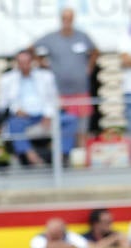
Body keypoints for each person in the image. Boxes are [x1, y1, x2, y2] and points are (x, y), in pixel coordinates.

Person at [0, 48, 72, 167]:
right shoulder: (8, 79)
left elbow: (53, 98)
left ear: (32, 62)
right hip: (23, 117)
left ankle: (61, 156)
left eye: (26, 62)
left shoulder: (46, 76)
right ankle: (32, 157)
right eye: (21, 62)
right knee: (14, 124)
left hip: (44, 114)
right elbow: (2, 103)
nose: (24, 65)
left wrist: (48, 114)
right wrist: (16, 109)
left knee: (70, 120)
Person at [34, 8, 97, 148]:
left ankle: (81, 154)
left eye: (69, 18)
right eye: (64, 18)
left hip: (80, 90)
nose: (67, 21)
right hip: (59, 92)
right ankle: (64, 154)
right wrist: (42, 64)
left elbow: (95, 51)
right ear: (61, 19)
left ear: (73, 19)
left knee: (82, 127)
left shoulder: (82, 36)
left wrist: (90, 67)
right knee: (63, 127)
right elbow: (32, 48)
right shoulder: (52, 38)